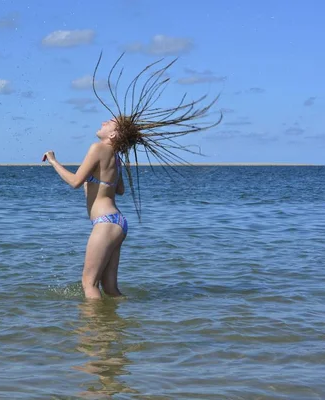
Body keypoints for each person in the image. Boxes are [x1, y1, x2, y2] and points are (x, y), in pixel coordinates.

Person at [43, 53, 222, 300]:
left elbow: (74, 182)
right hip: (118, 222)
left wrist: (53, 161)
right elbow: (119, 190)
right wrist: (93, 185)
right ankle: (123, 328)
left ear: (113, 135)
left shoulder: (98, 149)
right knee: (111, 289)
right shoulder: (115, 157)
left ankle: (91, 335)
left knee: (89, 284)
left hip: (105, 223)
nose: (104, 122)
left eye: (110, 123)